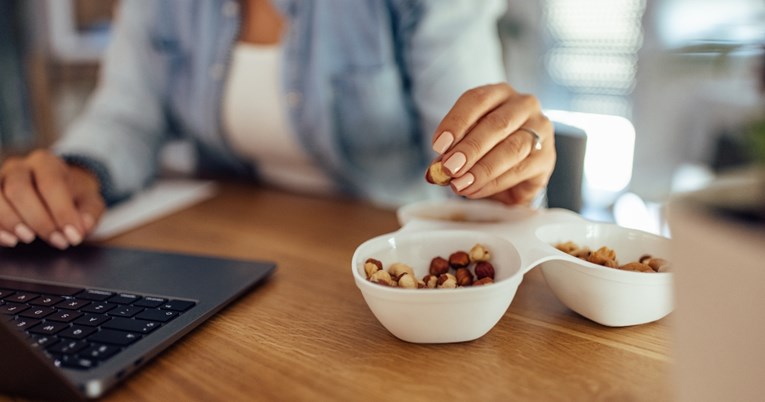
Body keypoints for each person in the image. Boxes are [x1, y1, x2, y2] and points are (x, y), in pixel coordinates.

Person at [0, 0, 555, 250]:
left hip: (392, 253)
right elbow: (126, 114)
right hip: (227, 256)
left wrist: (503, 160)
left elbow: (473, 126)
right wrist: (80, 170)